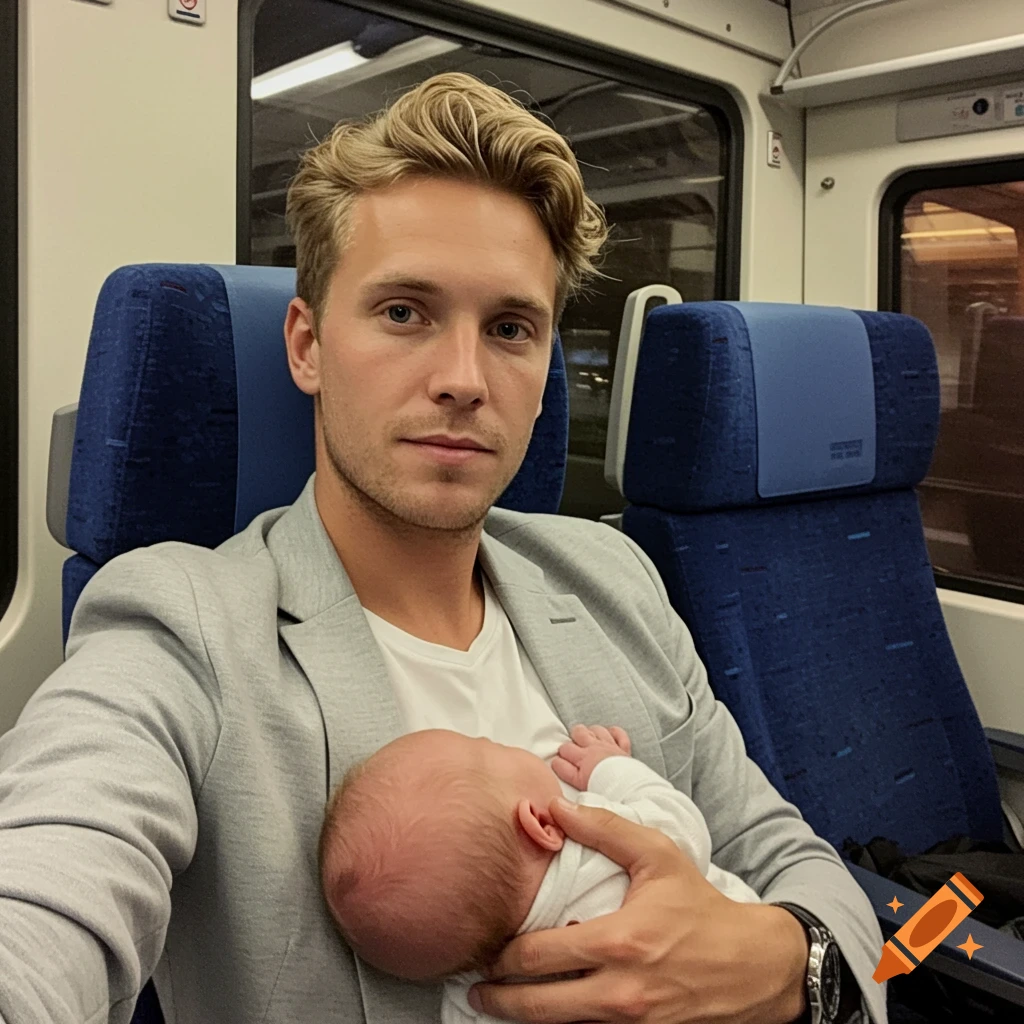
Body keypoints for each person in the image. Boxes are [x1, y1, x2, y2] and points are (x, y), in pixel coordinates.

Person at [0, 72, 884, 1024]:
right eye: (404, 312)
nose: (465, 379)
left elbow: (790, 858)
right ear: (306, 344)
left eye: (510, 328)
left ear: (545, 371)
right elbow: (48, 886)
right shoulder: (184, 623)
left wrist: (785, 967)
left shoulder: (611, 577)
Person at [318, 725, 761, 1024]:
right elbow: (683, 832)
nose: (493, 737)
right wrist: (612, 769)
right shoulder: (599, 849)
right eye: (487, 746)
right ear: (541, 826)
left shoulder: (474, 997)